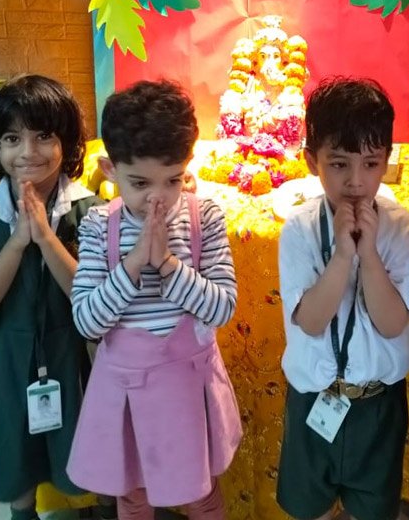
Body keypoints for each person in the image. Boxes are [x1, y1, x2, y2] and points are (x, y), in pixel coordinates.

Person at [66, 80, 242, 520]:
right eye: (140, 183)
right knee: (132, 497)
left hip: (188, 388)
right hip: (125, 392)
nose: (158, 198)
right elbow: (87, 322)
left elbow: (222, 307)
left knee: (201, 495)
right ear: (110, 169)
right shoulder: (97, 227)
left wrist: (165, 263)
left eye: (173, 180)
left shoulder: (204, 217)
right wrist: (132, 264)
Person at [0, 75, 99, 520]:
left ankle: (105, 507)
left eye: (43, 135)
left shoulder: (91, 211)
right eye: (13, 139)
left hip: (73, 354)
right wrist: (16, 242)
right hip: (7, 358)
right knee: (17, 450)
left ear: (66, 141)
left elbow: (89, 298)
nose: (28, 152)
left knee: (88, 445)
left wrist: (46, 238)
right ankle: (22, 512)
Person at [276, 77, 409, 520]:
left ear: (386, 162)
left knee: (372, 510)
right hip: (313, 399)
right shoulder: (299, 229)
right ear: (312, 161)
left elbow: (393, 324)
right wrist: (342, 255)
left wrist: (369, 255)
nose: (356, 182)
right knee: (310, 509)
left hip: (378, 403)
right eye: (338, 164)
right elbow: (312, 321)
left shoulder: (400, 228)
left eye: (370, 163)